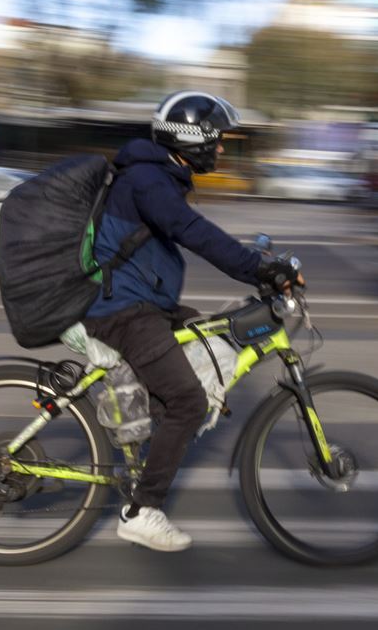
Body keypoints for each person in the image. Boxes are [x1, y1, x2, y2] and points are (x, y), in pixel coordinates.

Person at [85, 91, 300, 552]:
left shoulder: (156, 175)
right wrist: (258, 269)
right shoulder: (148, 179)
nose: (222, 148)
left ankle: (147, 423)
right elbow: (194, 233)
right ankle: (143, 511)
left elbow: (192, 231)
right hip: (121, 311)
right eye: (217, 139)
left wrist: (259, 261)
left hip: (139, 303)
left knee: (211, 334)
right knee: (188, 400)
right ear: (192, 136)